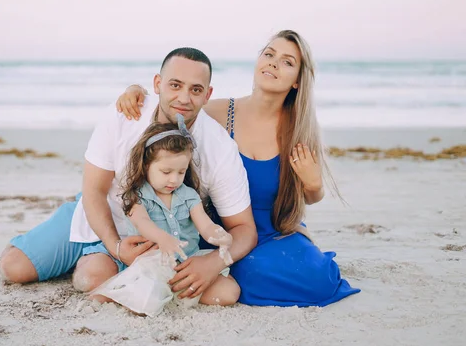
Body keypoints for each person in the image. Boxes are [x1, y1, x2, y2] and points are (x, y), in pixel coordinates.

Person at [115, 30, 360, 307]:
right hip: (220, 231)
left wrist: (315, 185)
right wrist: (137, 91)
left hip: (274, 231)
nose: (273, 63)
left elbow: (309, 196)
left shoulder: (298, 130)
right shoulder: (218, 112)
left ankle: (231, 273)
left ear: (297, 81)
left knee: (318, 279)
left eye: (287, 62)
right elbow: (176, 105)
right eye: (269, 54)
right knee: (254, 270)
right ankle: (226, 273)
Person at [0, 47, 256, 305]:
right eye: (175, 85)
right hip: (100, 213)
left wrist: (214, 262)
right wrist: (116, 247)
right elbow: (94, 191)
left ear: (208, 95)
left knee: (96, 277)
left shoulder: (219, 147)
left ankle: (101, 265)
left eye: (196, 90)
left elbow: (244, 228)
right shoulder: (125, 113)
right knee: (14, 268)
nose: (184, 98)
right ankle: (92, 255)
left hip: (159, 242)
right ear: (157, 84)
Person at [89, 115, 237, 306]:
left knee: (229, 293)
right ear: (146, 166)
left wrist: (218, 235)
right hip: (152, 264)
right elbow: (142, 222)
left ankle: (170, 294)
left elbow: (204, 224)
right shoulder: (137, 196)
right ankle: (121, 293)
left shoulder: (189, 196)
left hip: (187, 263)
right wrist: (162, 238)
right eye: (166, 172)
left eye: (181, 172)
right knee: (148, 299)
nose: (174, 180)